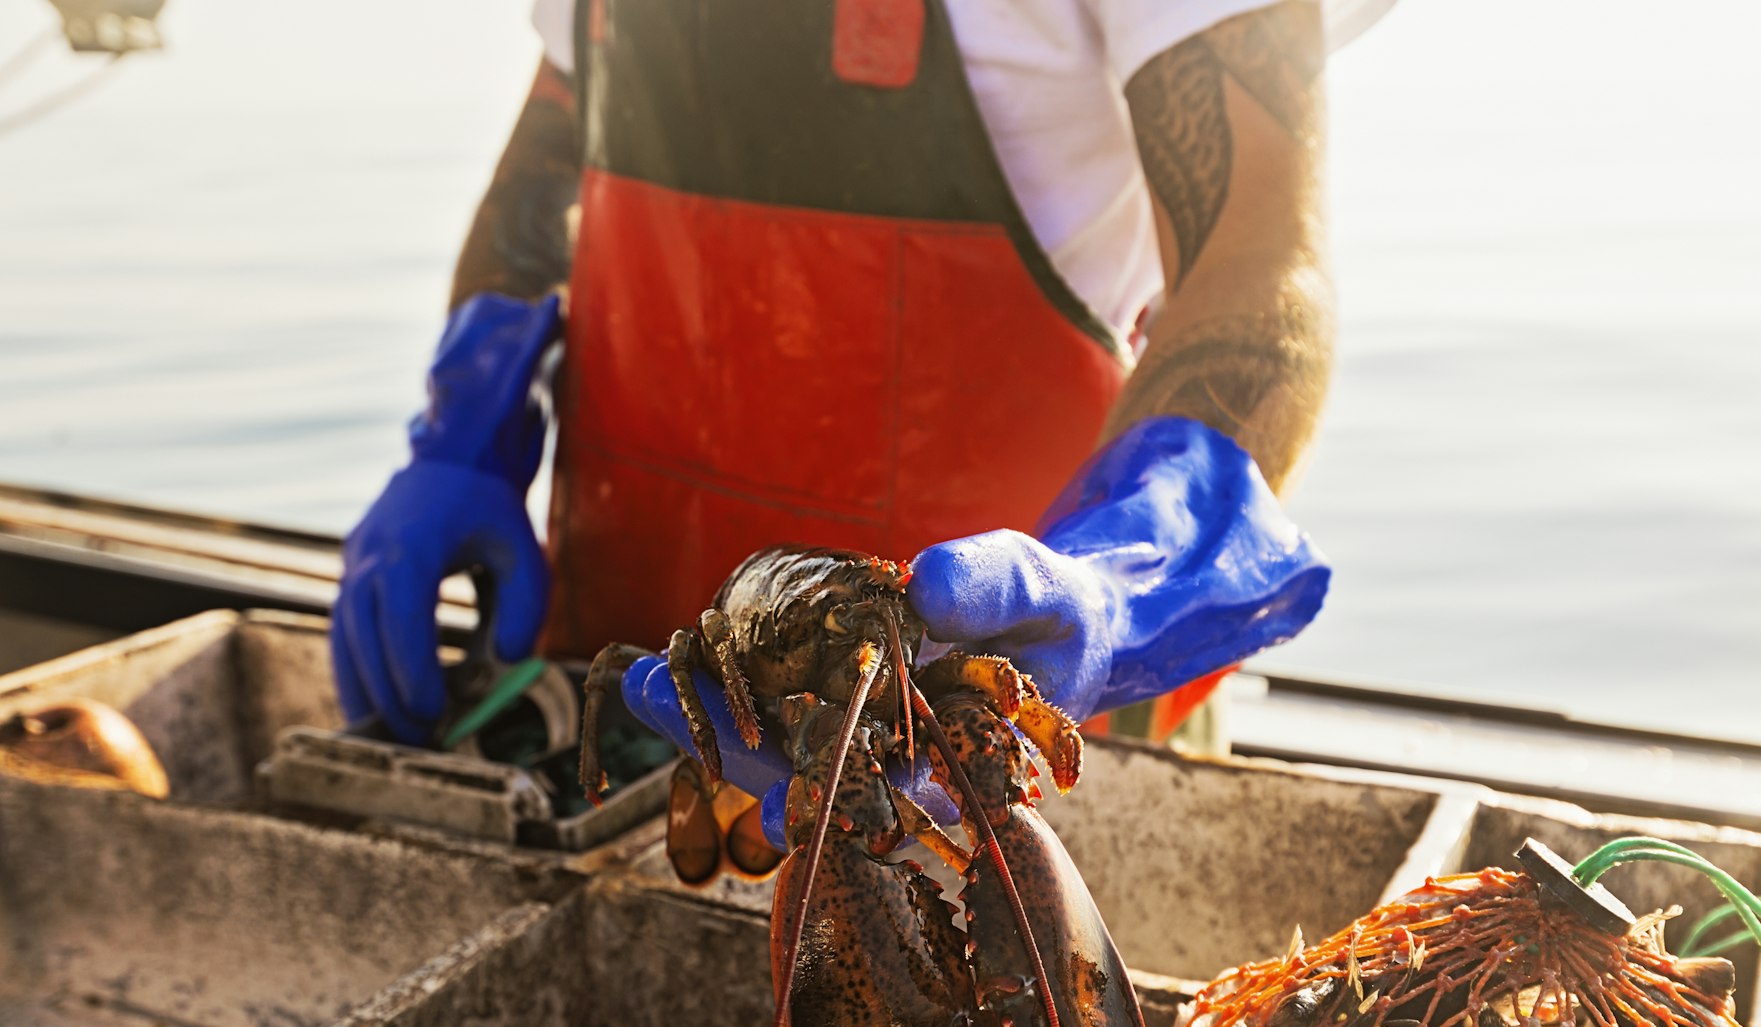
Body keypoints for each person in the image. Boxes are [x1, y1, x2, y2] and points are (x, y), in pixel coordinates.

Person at [331, 0, 1390, 814]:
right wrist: (466, 430)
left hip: (987, 739)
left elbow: (1261, 256)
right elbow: (548, 163)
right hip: (641, 714)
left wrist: (1136, 568)